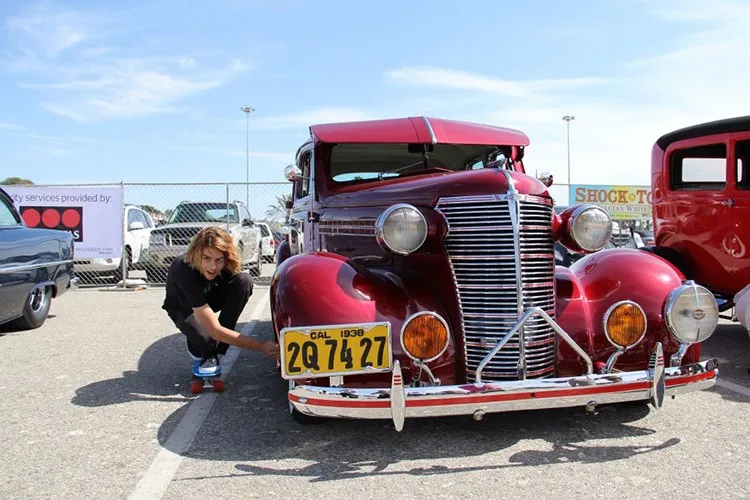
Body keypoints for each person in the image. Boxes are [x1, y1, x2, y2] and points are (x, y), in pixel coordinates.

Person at [162, 226, 279, 376]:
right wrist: (262, 346)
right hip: (183, 306)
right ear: (197, 254)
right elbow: (215, 331)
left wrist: (220, 339)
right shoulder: (183, 270)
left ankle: (217, 351)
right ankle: (204, 345)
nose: (213, 266)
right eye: (206, 258)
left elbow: (237, 284)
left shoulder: (225, 264)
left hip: (208, 296)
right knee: (210, 339)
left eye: (219, 260)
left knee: (244, 281)